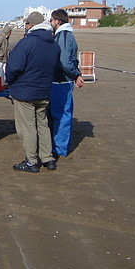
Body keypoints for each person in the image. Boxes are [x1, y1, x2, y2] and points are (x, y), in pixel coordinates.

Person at [5, 12, 60, 172]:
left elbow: (13, 67)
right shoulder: (53, 44)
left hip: (25, 92)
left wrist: (11, 81)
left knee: (27, 127)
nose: (25, 27)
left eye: (26, 24)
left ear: (31, 25)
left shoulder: (26, 43)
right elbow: (55, 67)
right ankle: (47, 158)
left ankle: (31, 161)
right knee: (42, 124)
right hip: (43, 90)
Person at [49, 8, 85, 157]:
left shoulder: (64, 36)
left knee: (62, 115)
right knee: (59, 115)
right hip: (59, 82)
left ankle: (59, 148)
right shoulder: (63, 35)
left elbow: (64, 61)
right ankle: (57, 146)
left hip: (61, 82)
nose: (50, 23)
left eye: (51, 20)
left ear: (58, 21)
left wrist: (75, 75)